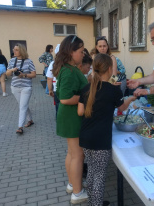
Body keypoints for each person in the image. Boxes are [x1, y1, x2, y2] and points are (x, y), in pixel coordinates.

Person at [78, 53, 136, 206]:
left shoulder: (86, 88)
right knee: (99, 177)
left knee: (91, 172)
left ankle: (92, 202)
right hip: (101, 141)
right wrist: (130, 99)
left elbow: (80, 112)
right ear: (110, 69)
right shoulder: (112, 90)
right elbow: (122, 107)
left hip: (84, 138)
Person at [52, 35, 88, 204]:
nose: (83, 54)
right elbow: (65, 98)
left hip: (69, 116)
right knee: (78, 155)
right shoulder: (69, 70)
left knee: (72, 153)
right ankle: (77, 193)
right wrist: (87, 98)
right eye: (80, 51)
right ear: (71, 52)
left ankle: (73, 184)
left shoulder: (69, 68)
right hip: (71, 117)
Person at [6, 44, 36, 134]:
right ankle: (30, 120)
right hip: (14, 87)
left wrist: (24, 75)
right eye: (14, 49)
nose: (14, 51)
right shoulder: (11, 61)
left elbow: (34, 74)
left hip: (26, 87)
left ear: (22, 51)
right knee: (23, 105)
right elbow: (7, 74)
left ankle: (20, 127)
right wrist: (12, 70)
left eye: (16, 50)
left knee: (22, 106)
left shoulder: (29, 61)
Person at [46, 44, 60, 117]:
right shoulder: (70, 63)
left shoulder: (53, 63)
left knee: (58, 107)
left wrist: (50, 90)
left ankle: (59, 123)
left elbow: (49, 78)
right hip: (68, 90)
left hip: (56, 89)